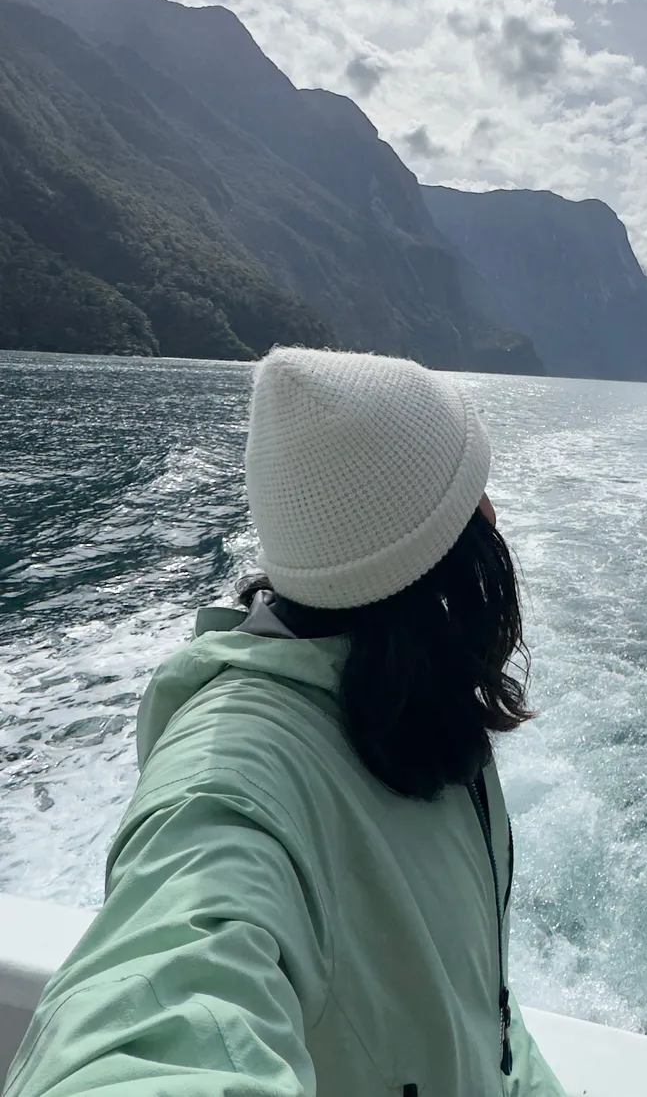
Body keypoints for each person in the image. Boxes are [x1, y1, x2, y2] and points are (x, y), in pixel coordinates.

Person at [4, 348, 568, 1097]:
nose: (493, 513)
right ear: (428, 550)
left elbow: (474, 1009)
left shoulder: (416, 702)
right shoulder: (231, 786)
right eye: (470, 494)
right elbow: (151, 1014)